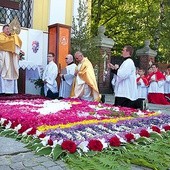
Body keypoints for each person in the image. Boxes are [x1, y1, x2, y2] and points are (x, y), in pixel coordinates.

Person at [108, 45, 147, 110]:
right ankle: (140, 103)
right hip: (123, 88)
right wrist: (113, 68)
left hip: (125, 89)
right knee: (119, 105)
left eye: (123, 50)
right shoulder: (126, 62)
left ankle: (141, 102)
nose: (122, 52)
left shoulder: (129, 62)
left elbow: (122, 74)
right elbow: (121, 73)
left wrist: (116, 69)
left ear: (127, 52)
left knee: (123, 105)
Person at [0, 24, 22, 94]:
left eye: (9, 29)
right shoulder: (1, 36)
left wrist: (14, 35)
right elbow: (3, 43)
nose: (8, 30)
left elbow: (18, 42)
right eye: (6, 29)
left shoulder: (12, 37)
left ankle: (11, 91)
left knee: (12, 73)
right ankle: (3, 91)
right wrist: (12, 40)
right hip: (5, 57)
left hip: (12, 58)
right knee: (4, 72)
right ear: (3, 30)